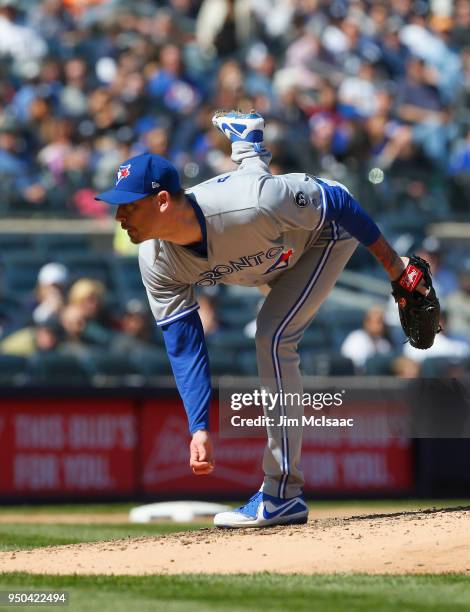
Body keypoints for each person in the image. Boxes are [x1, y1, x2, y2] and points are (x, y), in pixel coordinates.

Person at [96, 110, 428, 528]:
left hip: (320, 233)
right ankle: (247, 146)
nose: (118, 216)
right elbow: (183, 343)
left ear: (163, 201)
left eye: (127, 205)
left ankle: (282, 493)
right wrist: (198, 426)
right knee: (255, 217)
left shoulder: (254, 201)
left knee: (272, 337)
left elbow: (339, 201)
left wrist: (395, 268)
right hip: (264, 256)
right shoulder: (156, 260)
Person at [341, 305, 393, 371]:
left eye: (383, 322)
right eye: (378, 321)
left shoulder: (384, 343)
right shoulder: (356, 338)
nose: (382, 326)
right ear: (367, 322)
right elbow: (352, 365)